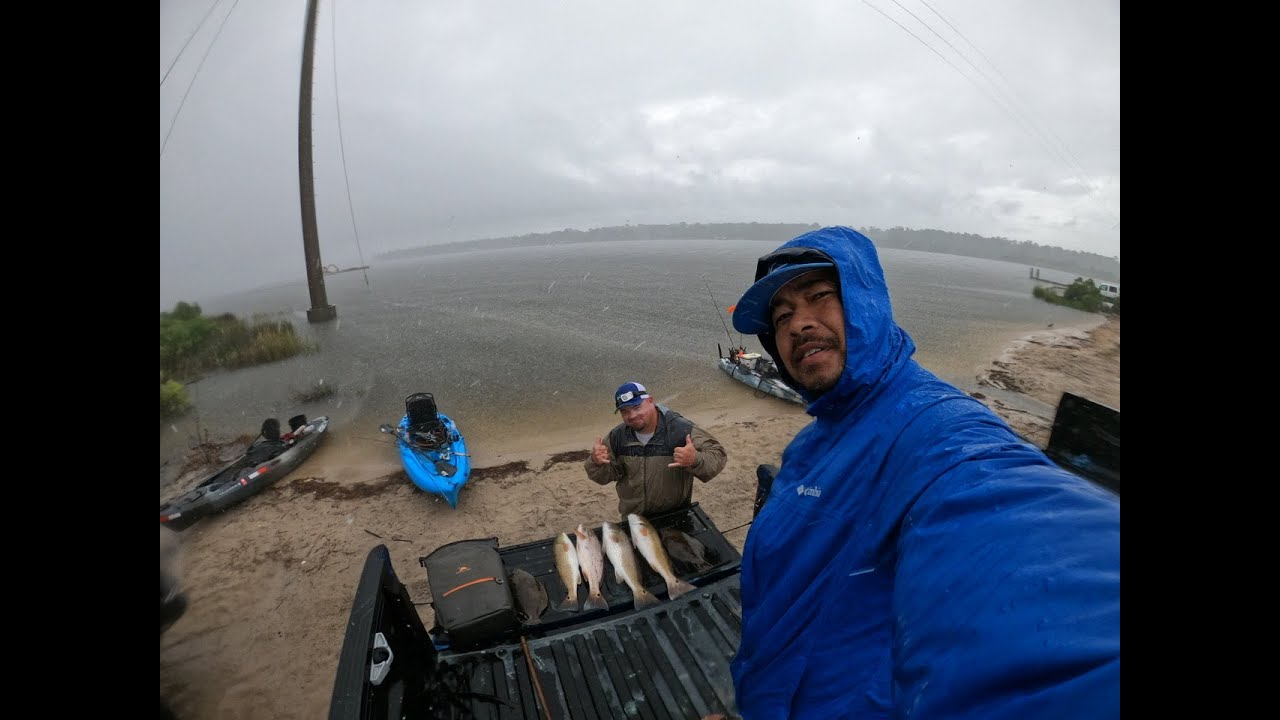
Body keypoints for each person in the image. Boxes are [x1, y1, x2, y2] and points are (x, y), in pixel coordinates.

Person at [726, 227, 1120, 718]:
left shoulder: (935, 426)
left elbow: (1008, 523)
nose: (798, 324)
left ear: (866, 301)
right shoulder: (810, 444)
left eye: (819, 297)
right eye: (781, 317)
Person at [585, 382, 728, 519]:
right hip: (634, 519)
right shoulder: (617, 437)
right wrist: (596, 462)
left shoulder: (680, 430)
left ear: (650, 401)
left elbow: (718, 455)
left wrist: (694, 459)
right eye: (625, 411)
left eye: (636, 407)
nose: (632, 416)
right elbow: (606, 476)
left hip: (675, 515)